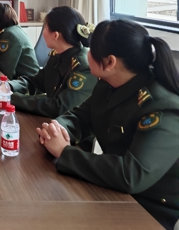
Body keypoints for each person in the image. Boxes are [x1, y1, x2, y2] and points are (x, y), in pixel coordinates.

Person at [36, 19, 179, 229]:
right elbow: (81, 116)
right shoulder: (108, 84)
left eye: (91, 50)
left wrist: (65, 152)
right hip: (109, 188)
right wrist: (58, 128)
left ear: (110, 62)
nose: (86, 53)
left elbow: (132, 175)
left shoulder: (162, 107)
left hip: (147, 209)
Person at [0, 6, 97, 118]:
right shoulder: (58, 55)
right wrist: (8, 86)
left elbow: (58, 107)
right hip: (53, 123)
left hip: (65, 126)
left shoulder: (82, 67)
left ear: (55, 35)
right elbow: (35, 81)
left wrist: (10, 98)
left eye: (45, 28)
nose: (43, 33)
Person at [0, 3, 39, 80]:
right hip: (29, 79)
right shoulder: (15, 29)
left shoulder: (9, 35)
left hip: (27, 82)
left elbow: (5, 71)